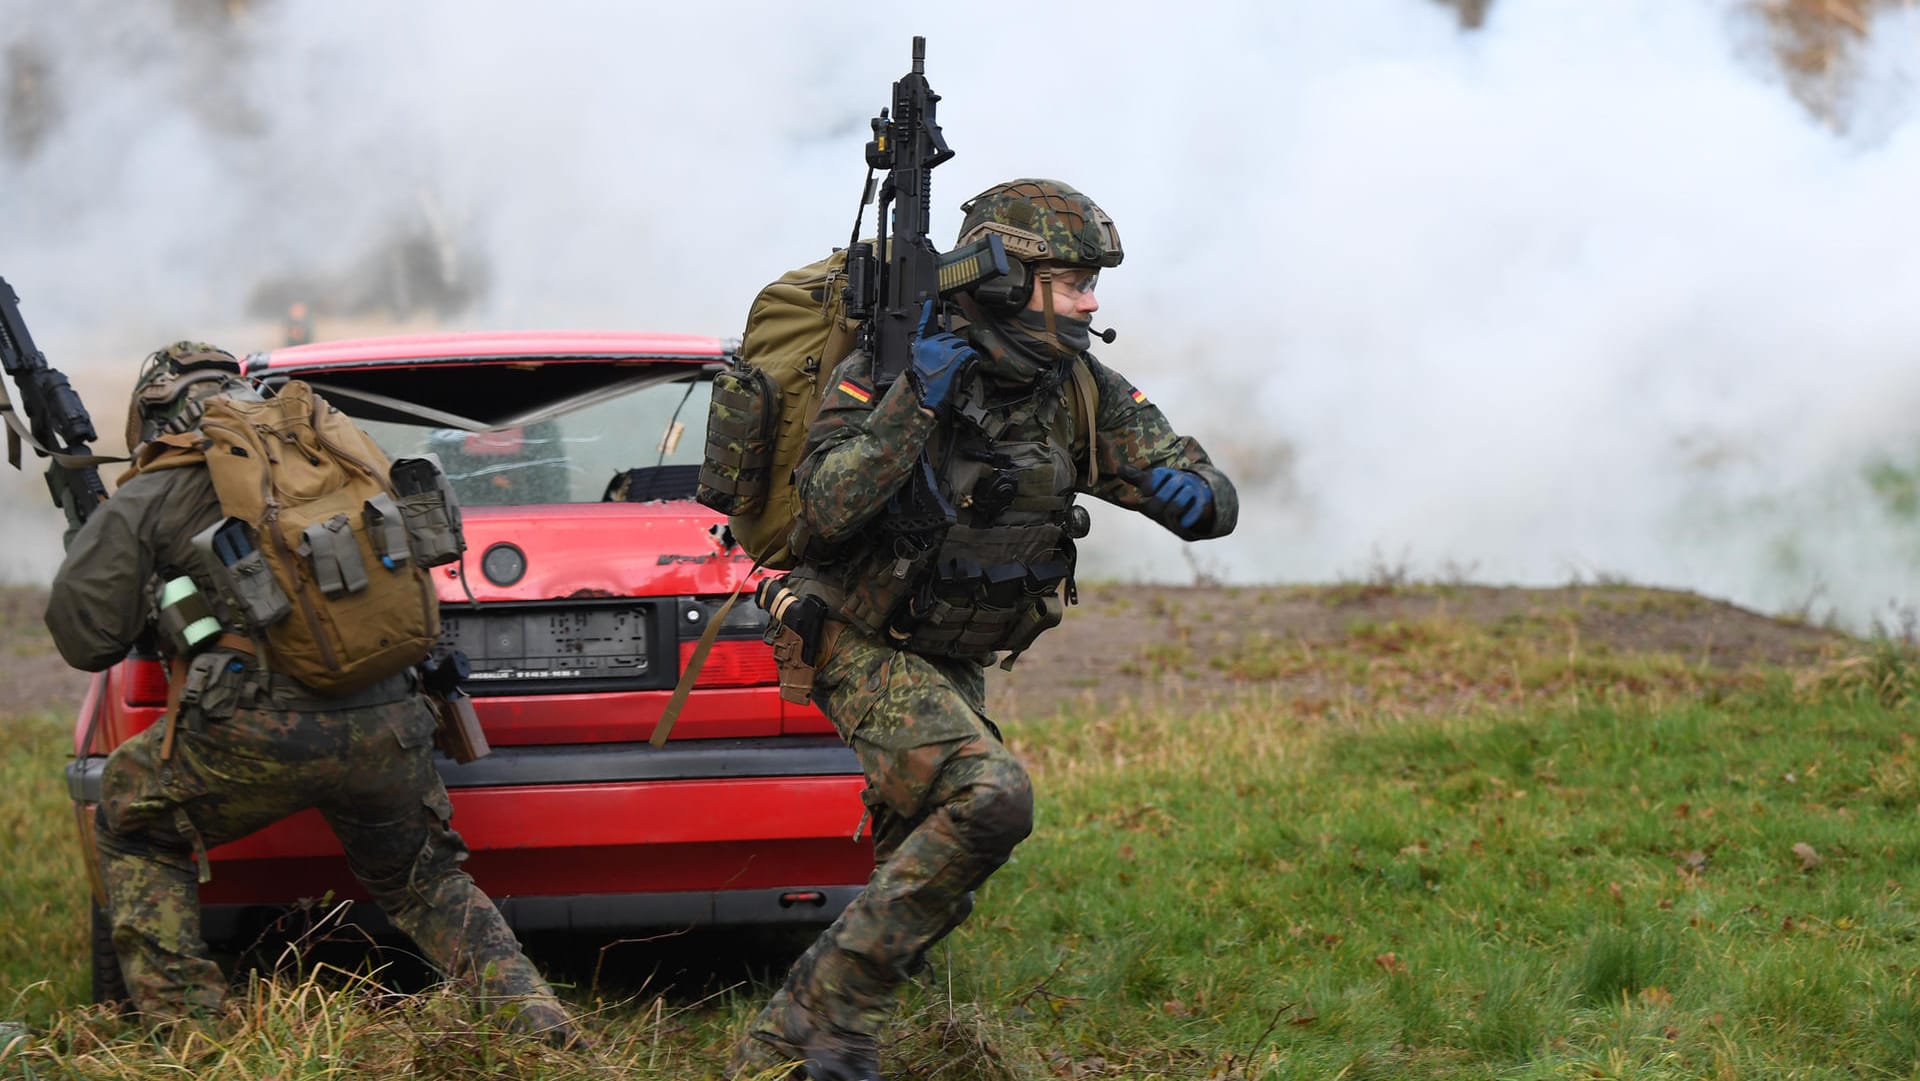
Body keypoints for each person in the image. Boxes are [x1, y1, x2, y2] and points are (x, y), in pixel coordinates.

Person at [731, 180, 1239, 1080]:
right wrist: (911, 402)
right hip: (854, 629)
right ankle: (814, 1025)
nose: (1092, 301)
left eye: (1092, 283)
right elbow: (820, 516)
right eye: (1074, 280)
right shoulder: (896, 368)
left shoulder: (1073, 385)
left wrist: (1199, 501)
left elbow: (1195, 477)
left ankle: (809, 1051)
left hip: (949, 645)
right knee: (991, 797)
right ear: (1008, 280)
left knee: (922, 875)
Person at [45, 341, 580, 1045]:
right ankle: (537, 1022)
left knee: (129, 816)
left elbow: (88, 640)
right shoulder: (333, 453)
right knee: (427, 879)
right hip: (389, 712)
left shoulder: (164, 481)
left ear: (155, 413)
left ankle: (193, 1037)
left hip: (257, 727)